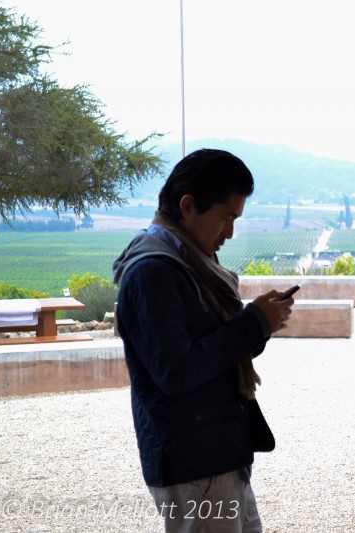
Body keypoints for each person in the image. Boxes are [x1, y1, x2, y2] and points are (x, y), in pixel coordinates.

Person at [113, 148, 294, 532]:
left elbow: (216, 348)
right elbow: (176, 371)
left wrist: (260, 324)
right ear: (189, 205)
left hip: (217, 454)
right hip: (194, 461)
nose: (230, 233)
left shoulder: (189, 263)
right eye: (226, 217)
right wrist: (253, 324)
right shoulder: (153, 272)